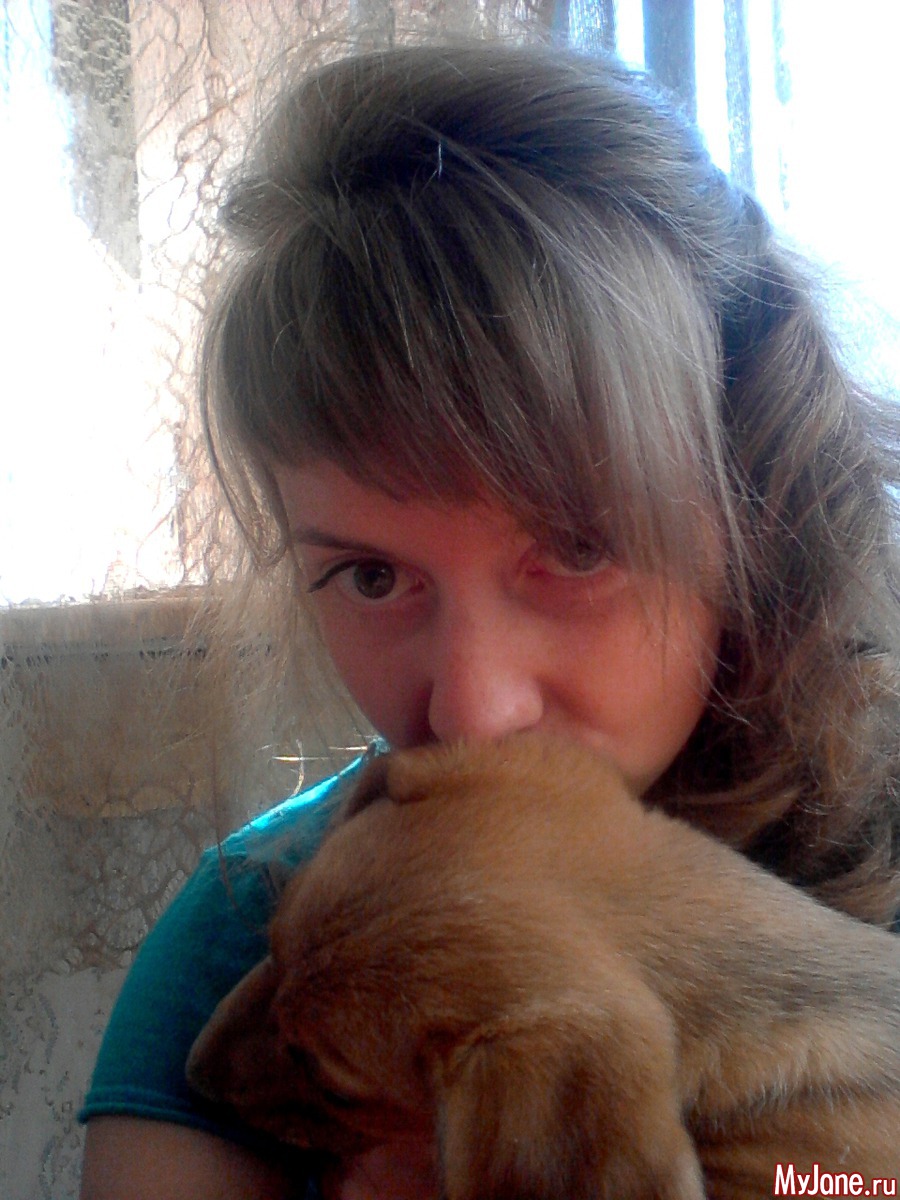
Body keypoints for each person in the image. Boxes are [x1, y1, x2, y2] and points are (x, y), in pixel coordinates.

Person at [78, 39, 900, 1200]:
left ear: (753, 508)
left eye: (578, 548)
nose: (472, 707)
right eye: (371, 576)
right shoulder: (247, 933)